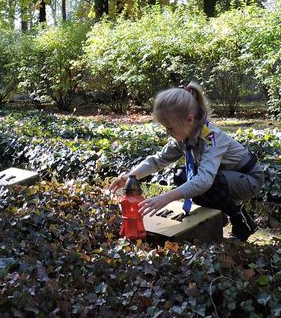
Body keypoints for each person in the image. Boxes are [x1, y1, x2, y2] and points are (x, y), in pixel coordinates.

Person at [108, 82, 263, 240]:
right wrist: (130, 177)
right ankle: (216, 217)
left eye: (170, 128)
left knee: (207, 182)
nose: (169, 133)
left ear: (190, 119)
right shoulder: (183, 137)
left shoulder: (211, 137)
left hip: (249, 179)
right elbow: (157, 161)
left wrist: (166, 197)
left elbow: (204, 181)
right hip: (226, 176)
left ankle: (240, 221)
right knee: (183, 175)